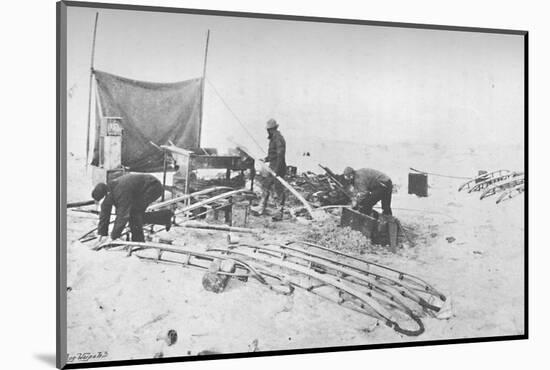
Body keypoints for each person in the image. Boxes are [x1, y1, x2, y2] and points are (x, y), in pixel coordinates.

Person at [91, 173, 164, 247]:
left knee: (134, 212)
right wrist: (101, 234)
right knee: (131, 211)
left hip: (153, 186)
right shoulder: (109, 191)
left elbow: (122, 215)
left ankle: (138, 241)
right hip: (140, 188)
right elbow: (105, 212)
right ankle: (138, 237)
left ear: (106, 194)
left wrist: (113, 236)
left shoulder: (121, 192)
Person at [251, 118, 287, 221]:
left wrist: (277, 170)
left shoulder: (278, 138)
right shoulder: (273, 138)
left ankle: (279, 212)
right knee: (265, 186)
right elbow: (273, 155)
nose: (268, 132)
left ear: (272, 129)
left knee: (279, 190)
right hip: (272, 167)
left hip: (278, 168)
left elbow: (280, 155)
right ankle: (261, 208)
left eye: (269, 130)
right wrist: (266, 159)